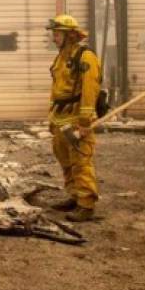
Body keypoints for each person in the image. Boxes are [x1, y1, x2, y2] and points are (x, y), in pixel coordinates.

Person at [46, 14, 101, 222]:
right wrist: (52, 118)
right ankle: (74, 195)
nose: (54, 38)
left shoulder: (85, 57)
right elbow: (56, 89)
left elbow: (90, 89)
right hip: (60, 117)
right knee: (65, 159)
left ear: (70, 35)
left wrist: (85, 121)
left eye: (57, 34)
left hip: (77, 116)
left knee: (80, 160)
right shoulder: (61, 57)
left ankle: (86, 204)